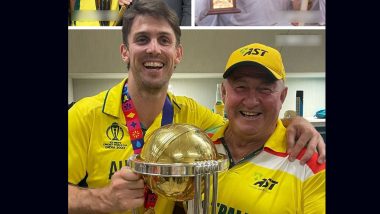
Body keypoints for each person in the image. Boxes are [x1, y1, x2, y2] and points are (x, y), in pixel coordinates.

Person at [68, 0, 325, 213]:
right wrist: (103, 199)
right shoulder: (83, 115)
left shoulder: (192, 119)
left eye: (164, 40)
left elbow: (243, 126)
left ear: (178, 53)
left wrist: (295, 121)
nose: (154, 49)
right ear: (125, 51)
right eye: (142, 39)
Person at [207, 43, 325, 213]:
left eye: (265, 89)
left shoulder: (312, 165)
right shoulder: (200, 147)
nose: (251, 101)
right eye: (241, 87)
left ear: (282, 96)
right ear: (224, 93)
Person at [118, 0, 191, 26]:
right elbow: (108, 17)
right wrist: (115, 3)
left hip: (169, 30)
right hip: (133, 31)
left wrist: (185, 35)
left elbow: (189, 8)